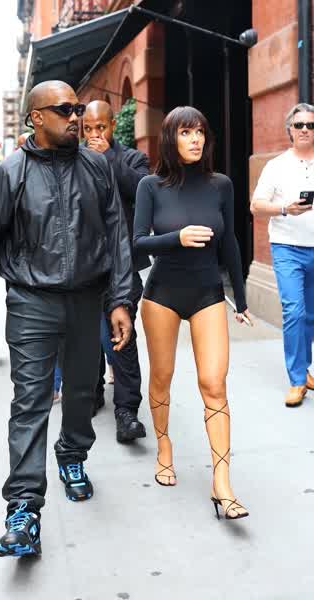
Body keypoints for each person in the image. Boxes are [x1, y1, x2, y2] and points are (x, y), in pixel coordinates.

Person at [0, 81, 132, 557]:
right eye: (64, 110)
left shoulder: (97, 168)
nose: (75, 117)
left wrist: (120, 301)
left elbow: (117, 236)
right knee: (31, 402)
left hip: (87, 300)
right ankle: (23, 510)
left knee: (81, 393)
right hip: (31, 303)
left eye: (78, 108)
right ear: (36, 117)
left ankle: (72, 453)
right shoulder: (9, 173)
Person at [133, 106, 251, 520]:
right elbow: (137, 243)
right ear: (171, 139)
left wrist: (242, 299)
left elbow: (230, 241)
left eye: (199, 131)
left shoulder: (221, 185)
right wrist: (176, 237)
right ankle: (164, 447)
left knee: (214, 384)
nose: (195, 139)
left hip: (207, 293)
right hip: (162, 293)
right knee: (161, 377)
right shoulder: (150, 186)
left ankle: (222, 483)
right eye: (185, 132)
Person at [83, 100, 150, 443]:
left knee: (121, 336)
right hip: (85, 265)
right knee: (86, 334)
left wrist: (107, 156)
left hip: (122, 265)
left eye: (101, 127)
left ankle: (127, 411)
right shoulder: (75, 159)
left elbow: (141, 189)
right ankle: (93, 392)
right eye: (88, 129)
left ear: (112, 125)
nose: (95, 134)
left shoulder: (132, 158)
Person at [251, 103, 314, 407]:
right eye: (299, 125)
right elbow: (256, 206)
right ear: (290, 129)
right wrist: (285, 209)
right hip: (287, 247)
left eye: (310, 125)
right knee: (294, 312)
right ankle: (297, 380)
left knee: (310, 314)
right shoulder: (276, 166)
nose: (305, 130)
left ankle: (304, 367)